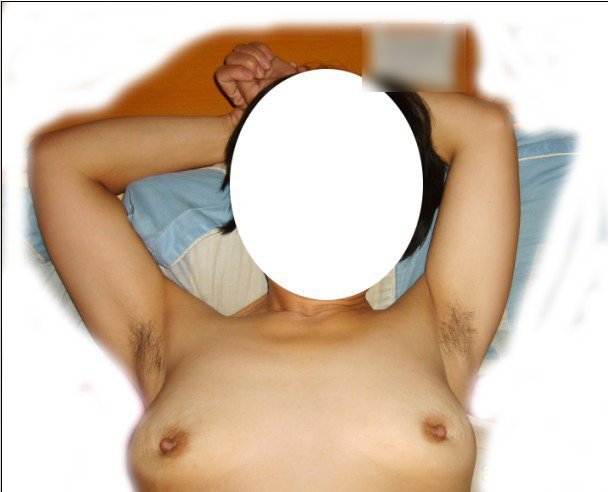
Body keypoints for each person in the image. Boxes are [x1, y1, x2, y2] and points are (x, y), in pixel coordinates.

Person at [28, 41, 519, 491]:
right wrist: (248, 127)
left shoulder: (440, 332)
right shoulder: (169, 338)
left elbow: (485, 129)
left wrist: (319, 98)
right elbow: (59, 163)